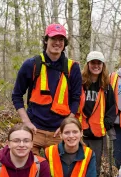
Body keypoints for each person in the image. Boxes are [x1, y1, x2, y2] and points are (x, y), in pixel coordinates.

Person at [12, 23, 83, 155]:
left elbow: (75, 99)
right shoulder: (31, 64)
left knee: (57, 173)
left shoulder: (73, 67)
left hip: (58, 132)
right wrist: (26, 122)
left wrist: (65, 127)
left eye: (61, 40)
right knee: (28, 170)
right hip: (34, 130)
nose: (57, 43)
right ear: (46, 40)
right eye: (53, 39)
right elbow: (16, 96)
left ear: (65, 43)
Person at [77, 50, 117, 177]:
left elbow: (112, 109)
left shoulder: (106, 86)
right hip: (79, 133)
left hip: (98, 134)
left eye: (99, 63)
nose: (96, 66)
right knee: (78, 164)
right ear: (88, 64)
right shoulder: (80, 83)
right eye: (93, 63)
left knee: (95, 166)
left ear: (103, 65)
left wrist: (106, 124)